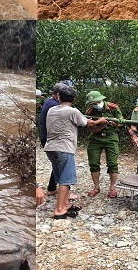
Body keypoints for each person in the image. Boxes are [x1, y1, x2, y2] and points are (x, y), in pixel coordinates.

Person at [44, 86, 108, 219]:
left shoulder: (51, 109)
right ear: (73, 99)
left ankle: (66, 203)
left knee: (59, 175)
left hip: (50, 148)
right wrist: (101, 121)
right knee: (66, 179)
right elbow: (88, 123)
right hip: (64, 148)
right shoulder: (72, 111)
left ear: (59, 97)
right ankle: (59, 209)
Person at [84, 91, 122, 199]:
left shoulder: (113, 108)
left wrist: (116, 124)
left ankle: (112, 188)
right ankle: (96, 187)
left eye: (97, 102)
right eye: (93, 103)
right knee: (94, 163)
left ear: (101, 99)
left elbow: (121, 122)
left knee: (112, 163)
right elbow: (91, 129)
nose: (95, 104)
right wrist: (103, 125)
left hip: (111, 137)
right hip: (96, 138)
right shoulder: (90, 111)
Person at [40, 83, 68, 197]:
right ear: (57, 94)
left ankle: (51, 188)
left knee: (57, 164)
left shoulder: (51, 102)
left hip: (47, 138)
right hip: (51, 139)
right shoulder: (54, 105)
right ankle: (65, 194)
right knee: (63, 164)